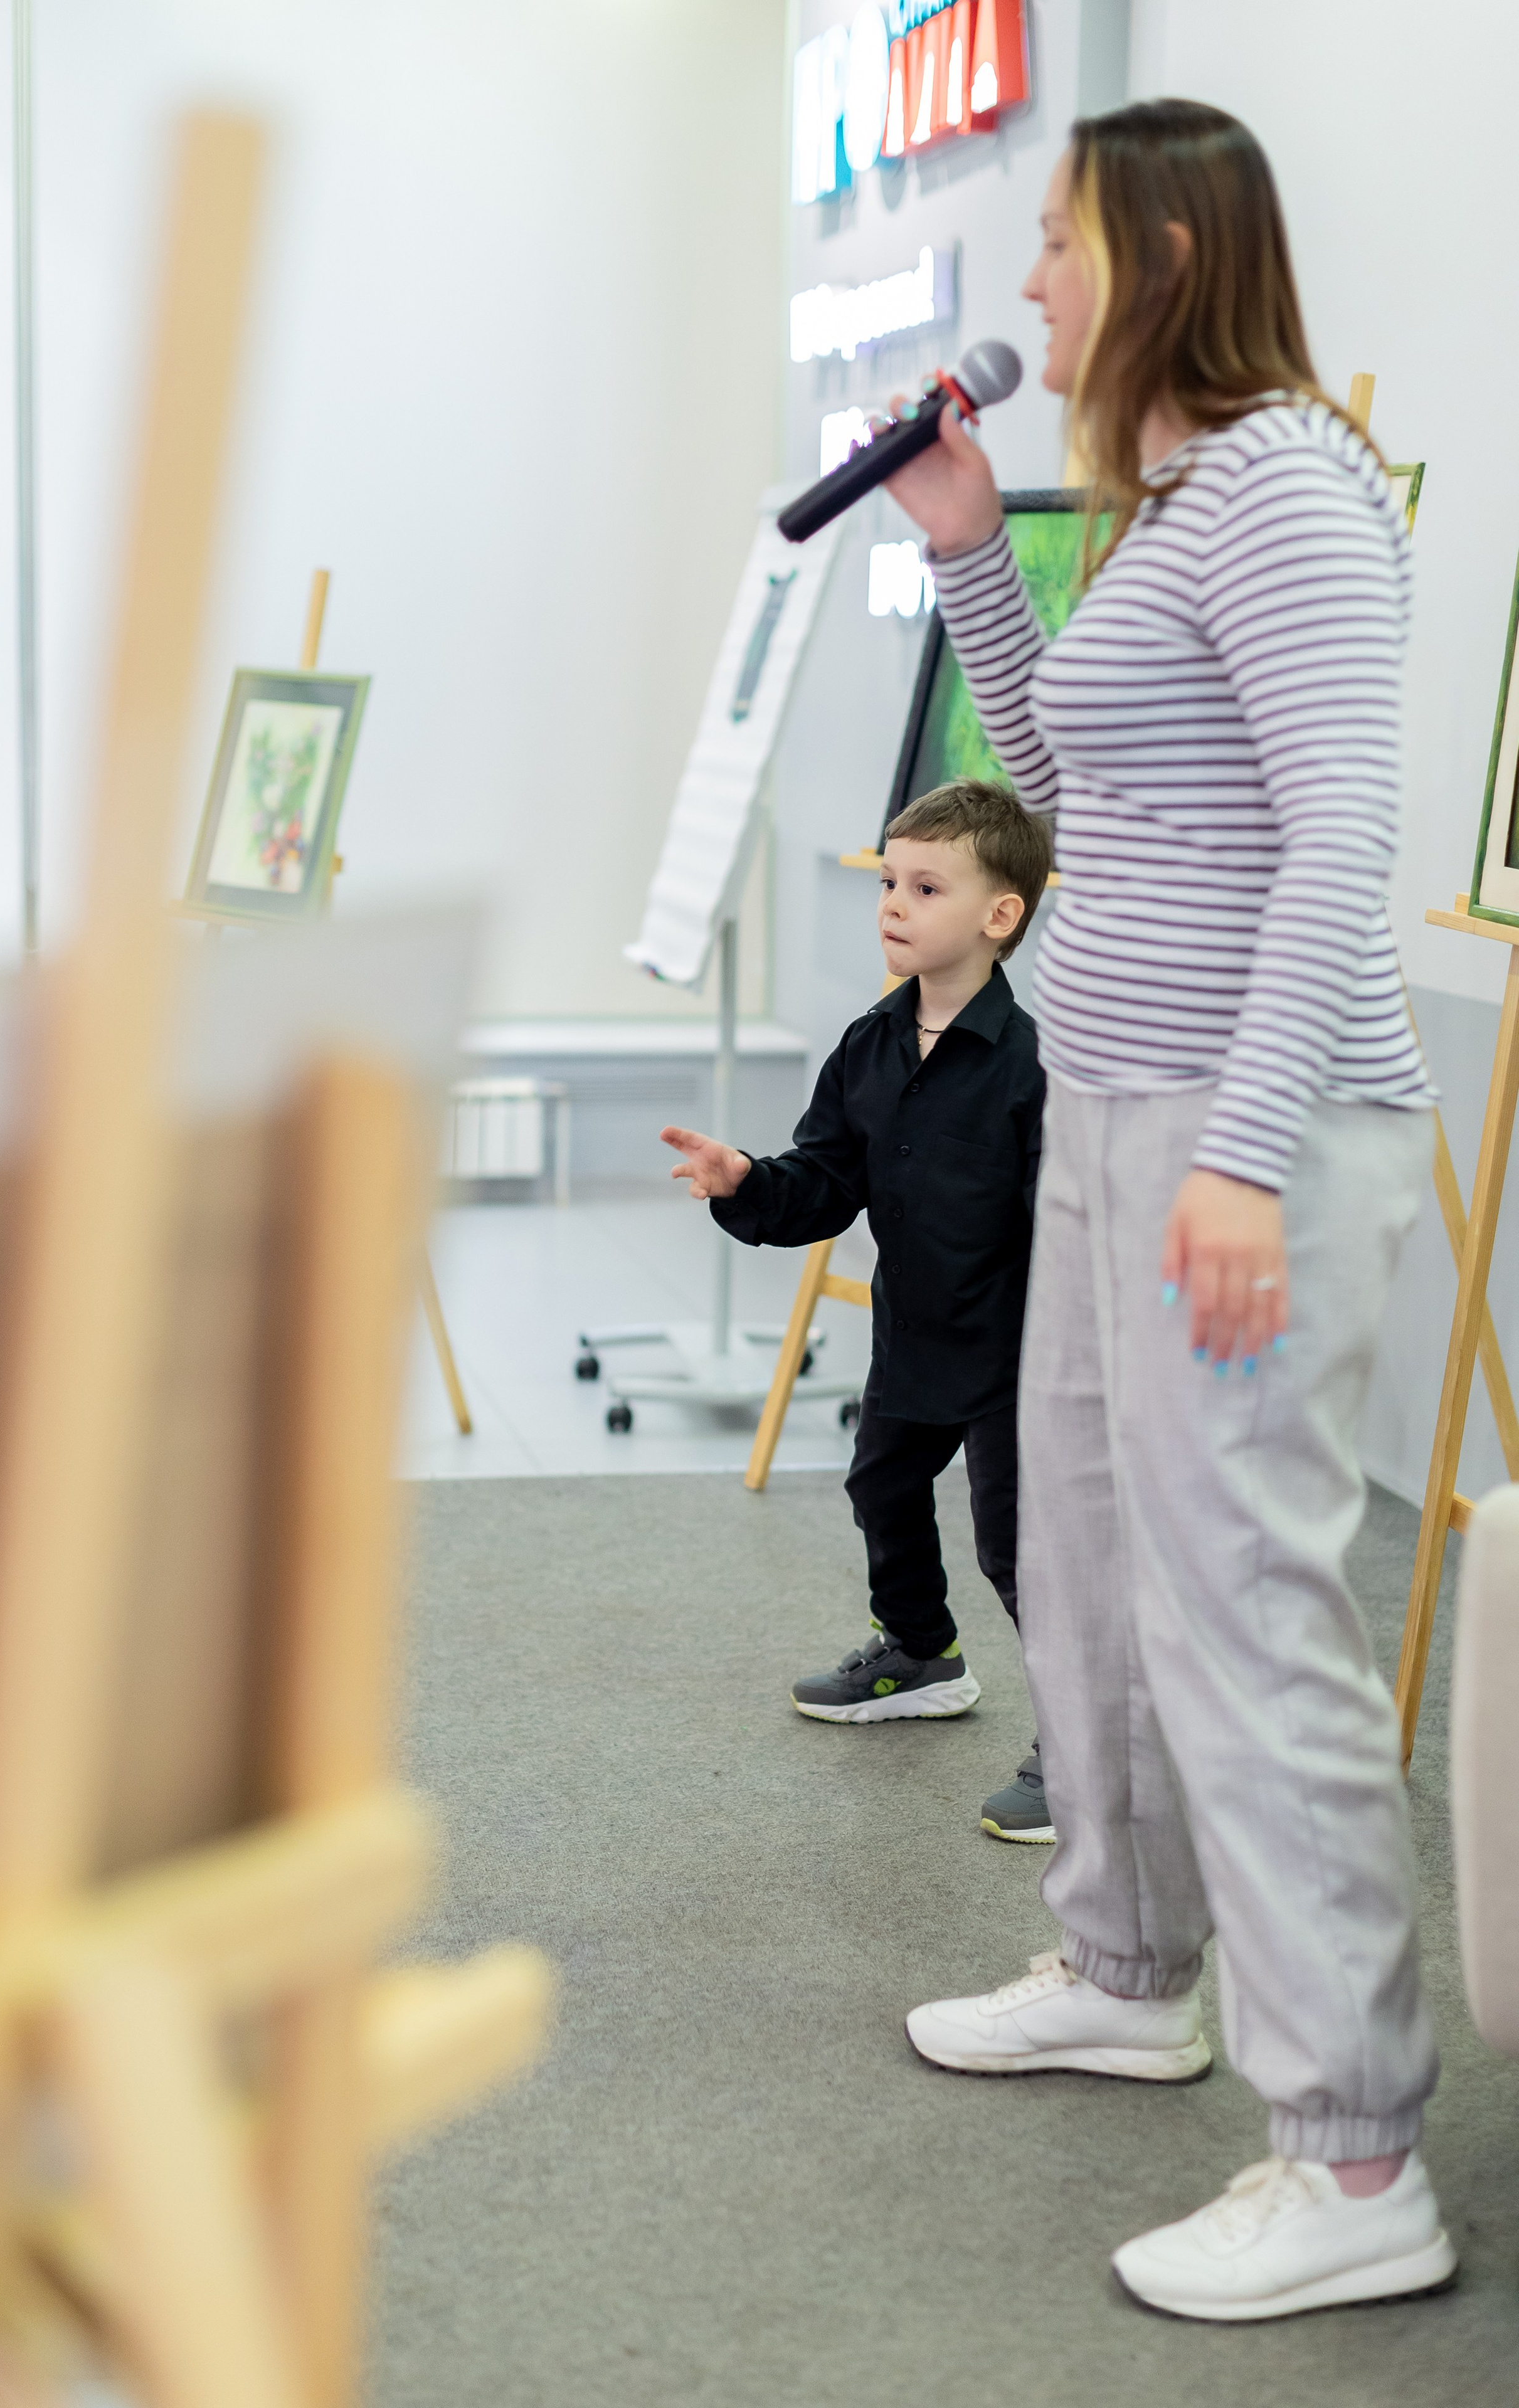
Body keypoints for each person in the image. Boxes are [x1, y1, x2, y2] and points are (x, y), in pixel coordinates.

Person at [889, 100, 1455, 2323]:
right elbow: (1077, 797)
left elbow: (1340, 840)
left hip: (1248, 1128)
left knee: (1246, 1621)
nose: (1029, 281)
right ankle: (1129, 1971)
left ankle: (1358, 2155)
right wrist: (965, 548)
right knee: (1097, 1568)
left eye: (1059, 239)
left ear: (1171, 251)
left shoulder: (1295, 489)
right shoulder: (1173, 504)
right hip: (1119, 1111)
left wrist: (1241, 1150)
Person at [660, 780, 1052, 1829]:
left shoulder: (1033, 1068)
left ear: (1000, 914)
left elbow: (1066, 1233)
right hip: (915, 1334)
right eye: (889, 881)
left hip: (1017, 1356)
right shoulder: (868, 1046)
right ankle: (922, 1654)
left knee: (1020, 1551)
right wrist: (747, 1179)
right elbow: (825, 1182)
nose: (892, 905)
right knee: (881, 1483)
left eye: (925, 888)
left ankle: (1087, 1751)